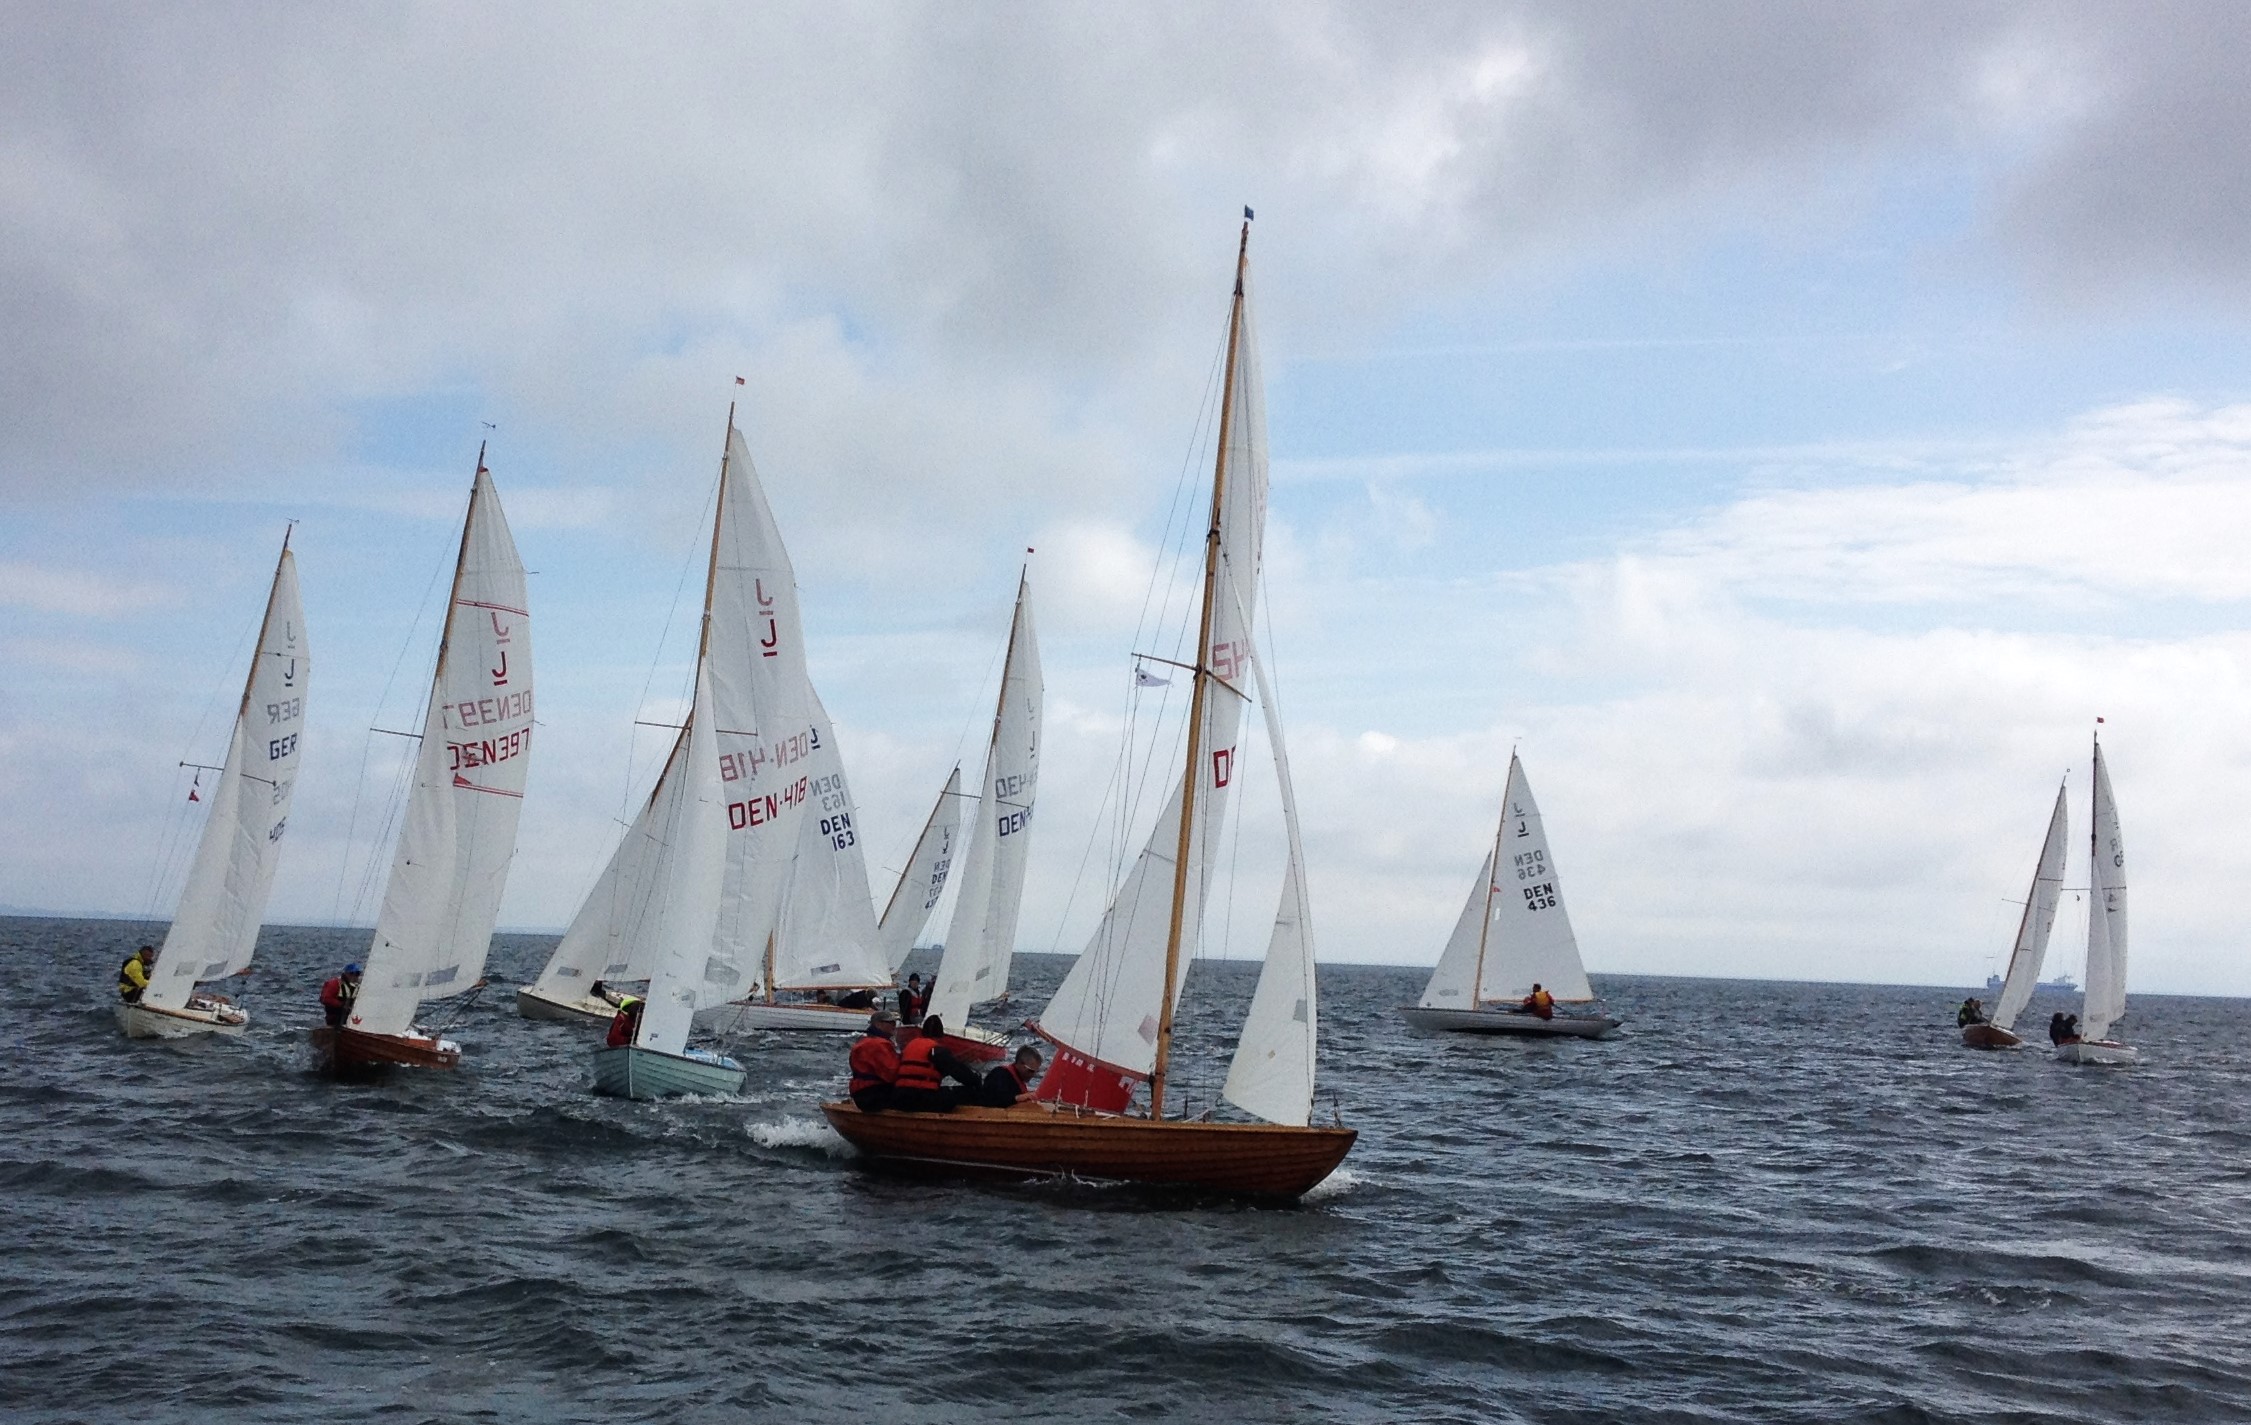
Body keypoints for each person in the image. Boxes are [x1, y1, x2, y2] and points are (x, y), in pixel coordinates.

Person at [891, 1014, 979, 1112]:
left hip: (900, 1096)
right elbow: (959, 1072)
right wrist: (976, 1080)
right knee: (962, 1094)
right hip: (921, 1098)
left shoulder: (910, 1046)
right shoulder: (936, 1050)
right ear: (940, 1034)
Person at [848, 1009, 903, 1112]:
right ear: (878, 1024)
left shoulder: (863, 1041)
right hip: (872, 1094)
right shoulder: (879, 1045)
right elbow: (892, 1074)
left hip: (860, 1092)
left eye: (894, 1022)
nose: (894, 1025)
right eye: (890, 1022)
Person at [978, 1045, 1045, 1107]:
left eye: (1036, 1072)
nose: (1033, 1075)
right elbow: (991, 1100)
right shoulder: (999, 1075)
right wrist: (1017, 1098)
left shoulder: (1018, 1079)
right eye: (1031, 1071)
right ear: (1020, 1063)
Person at [319, 963, 362, 1027]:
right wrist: (341, 1005)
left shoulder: (359, 986)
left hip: (351, 1016)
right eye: (351, 974)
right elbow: (325, 998)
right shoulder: (334, 984)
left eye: (357, 974)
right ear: (346, 974)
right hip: (335, 1017)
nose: (354, 976)